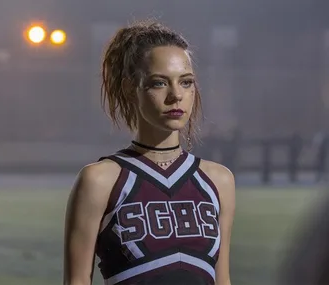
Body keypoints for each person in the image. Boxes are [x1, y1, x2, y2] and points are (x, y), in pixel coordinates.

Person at [63, 20, 235, 285]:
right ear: (130, 88)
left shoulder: (218, 181)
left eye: (186, 82)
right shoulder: (100, 180)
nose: (176, 95)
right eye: (159, 83)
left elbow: (221, 279)